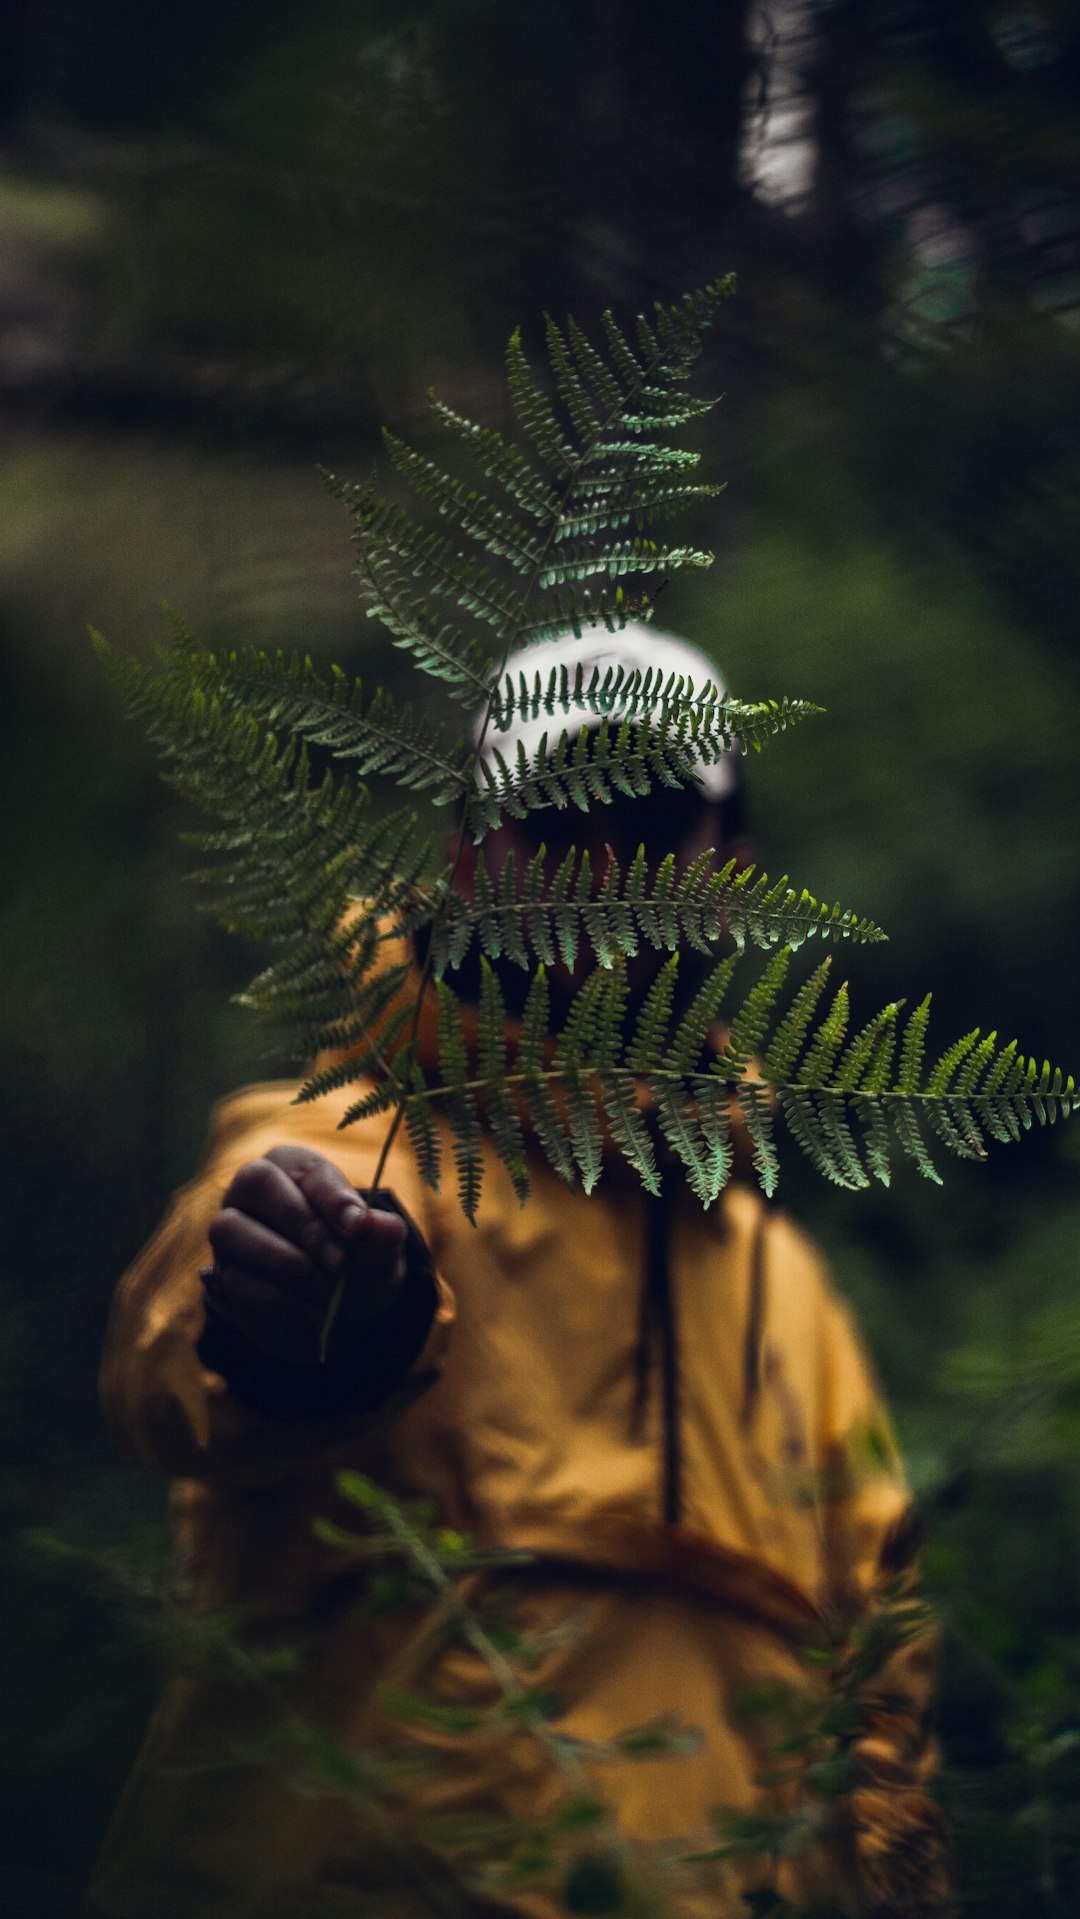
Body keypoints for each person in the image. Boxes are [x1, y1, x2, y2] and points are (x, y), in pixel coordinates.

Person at [91, 628, 949, 1919]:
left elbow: (882, 1699)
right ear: (463, 863)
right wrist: (296, 1326)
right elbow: (177, 1351)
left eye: (653, 823)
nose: (603, 874)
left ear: (737, 874)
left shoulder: (793, 1296)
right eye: (558, 821)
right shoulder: (348, 1143)